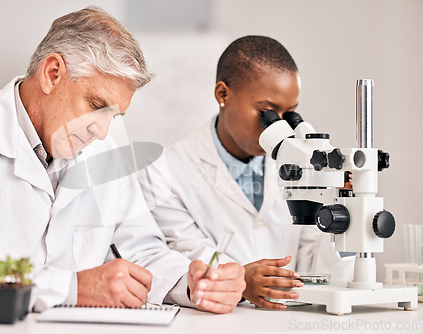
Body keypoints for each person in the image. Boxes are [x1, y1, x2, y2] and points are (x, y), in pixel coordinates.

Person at [0, 7, 245, 314]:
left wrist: (191, 282)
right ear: (52, 74)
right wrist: (70, 287)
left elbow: (142, 250)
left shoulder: (106, 152)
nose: (103, 132)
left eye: (115, 117)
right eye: (96, 105)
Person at [139, 35, 354, 310]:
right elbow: (189, 260)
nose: (275, 127)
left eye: (289, 115)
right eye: (267, 112)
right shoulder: (165, 170)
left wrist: (346, 220)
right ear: (223, 95)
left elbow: (320, 268)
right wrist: (241, 281)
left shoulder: (300, 165)